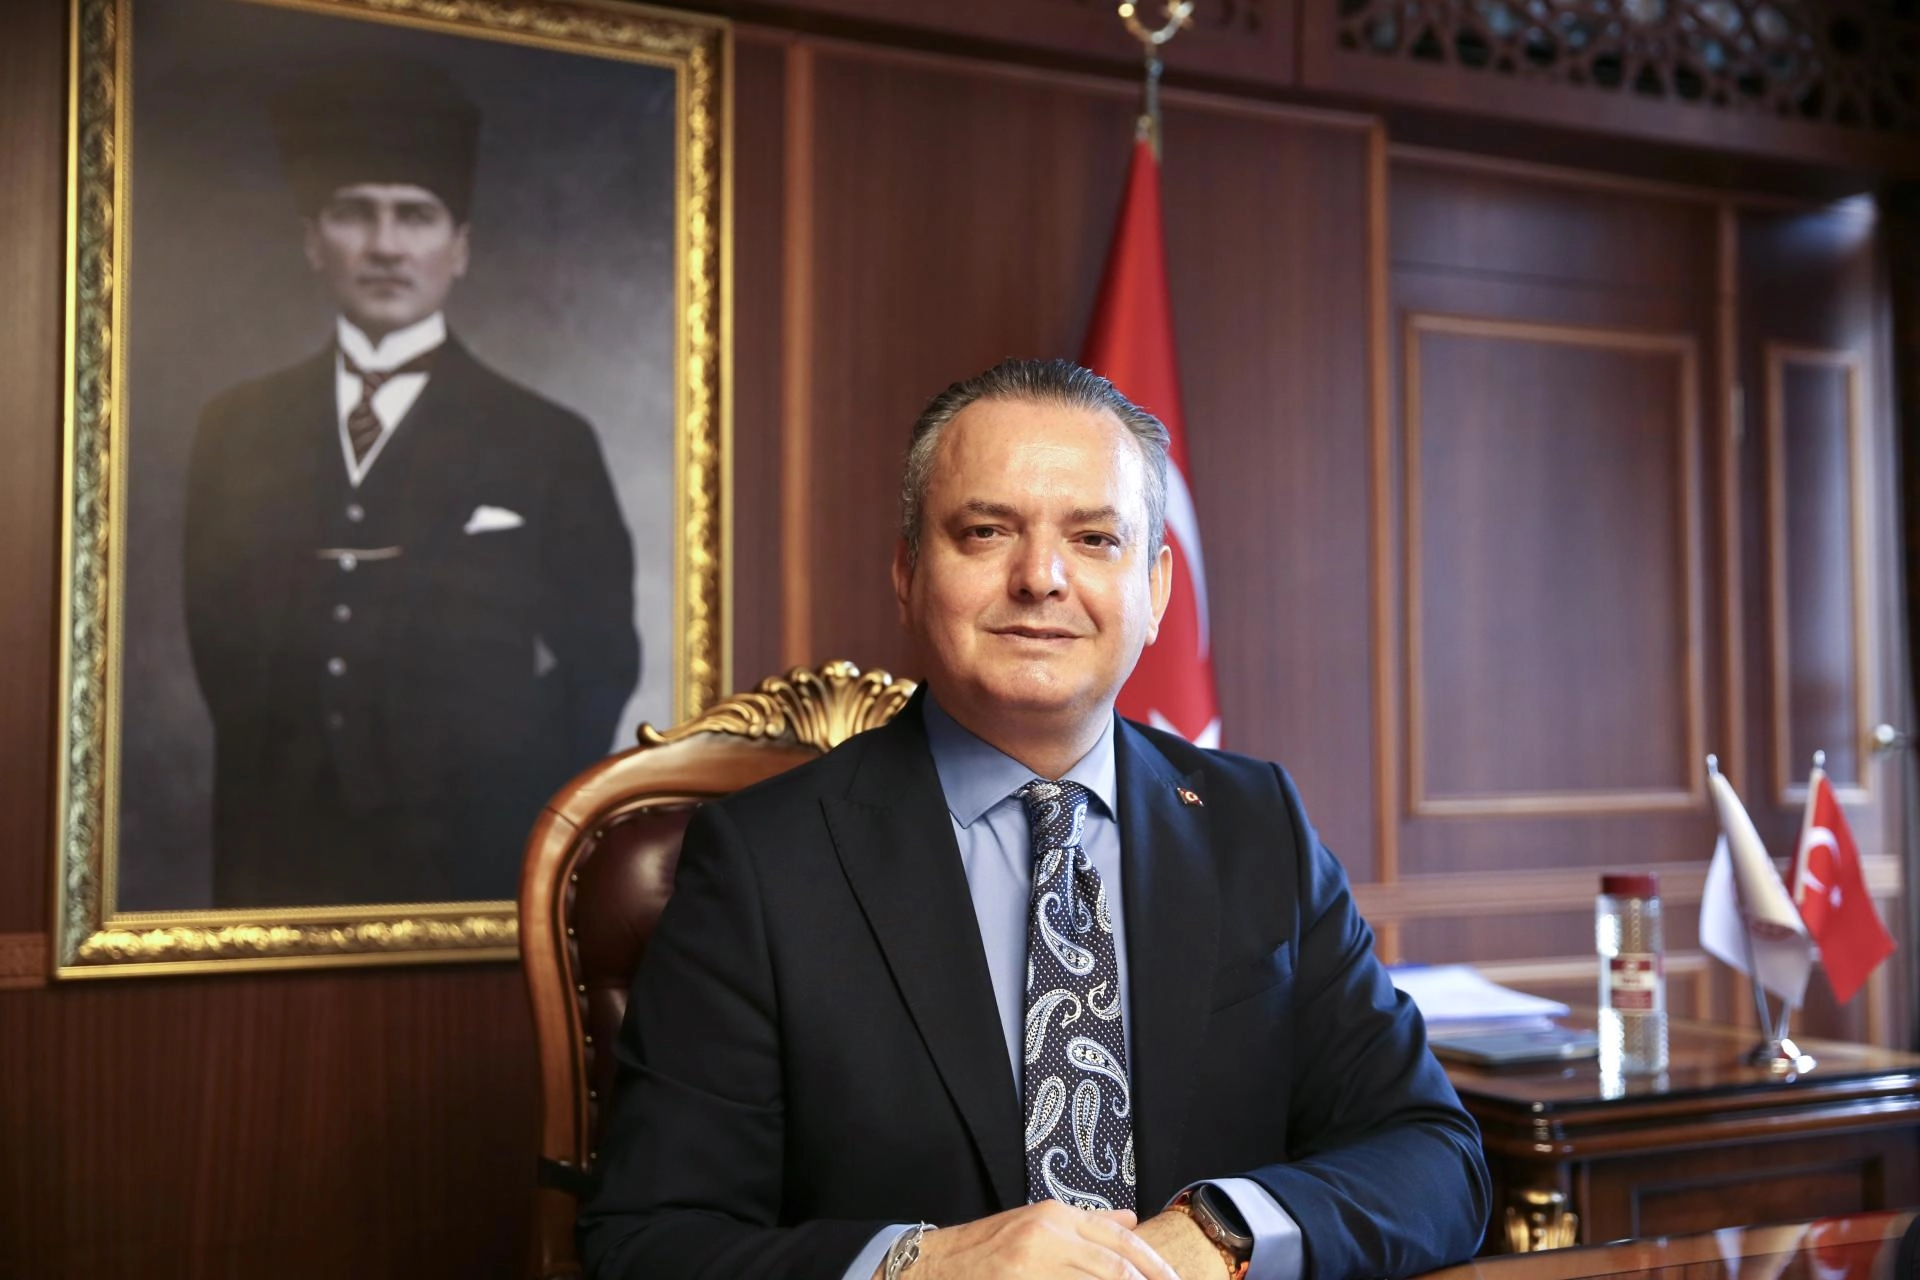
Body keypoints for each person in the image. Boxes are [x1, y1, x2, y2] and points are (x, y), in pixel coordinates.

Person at [579, 359, 1488, 1279]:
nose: (1041, 578)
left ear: (1156, 590)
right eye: (986, 532)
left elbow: (1435, 1158)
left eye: (1094, 538)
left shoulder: (1257, 826)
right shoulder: (762, 862)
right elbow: (646, 1242)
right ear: (907, 571)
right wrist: (921, 1269)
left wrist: (1222, 1233)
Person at [184, 61, 639, 908]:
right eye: (356, 212)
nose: (386, 245)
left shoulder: (547, 440)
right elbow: (218, 640)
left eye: (416, 215)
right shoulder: (234, 428)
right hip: (278, 851)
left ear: (458, 249)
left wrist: (524, 801)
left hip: (475, 856)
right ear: (313, 241)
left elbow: (603, 659)